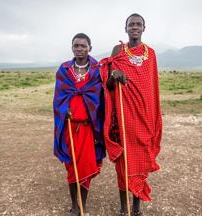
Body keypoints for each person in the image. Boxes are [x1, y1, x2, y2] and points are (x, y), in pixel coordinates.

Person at [99, 13, 162, 216]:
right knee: (123, 166)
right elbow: (108, 85)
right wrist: (114, 76)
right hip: (124, 118)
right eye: (131, 24)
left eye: (138, 24)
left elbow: (152, 89)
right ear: (125, 28)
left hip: (144, 119)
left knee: (141, 163)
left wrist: (153, 116)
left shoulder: (150, 54)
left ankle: (136, 209)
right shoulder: (118, 50)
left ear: (144, 28)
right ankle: (124, 208)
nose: (134, 27)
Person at [53, 33, 106, 215]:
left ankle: (82, 205)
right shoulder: (64, 70)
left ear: (90, 48)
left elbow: (102, 98)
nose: (79, 49)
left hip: (89, 128)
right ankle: (74, 206)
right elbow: (58, 98)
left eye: (83, 46)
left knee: (85, 166)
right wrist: (63, 110)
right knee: (71, 166)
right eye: (76, 46)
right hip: (69, 127)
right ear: (72, 47)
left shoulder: (97, 71)